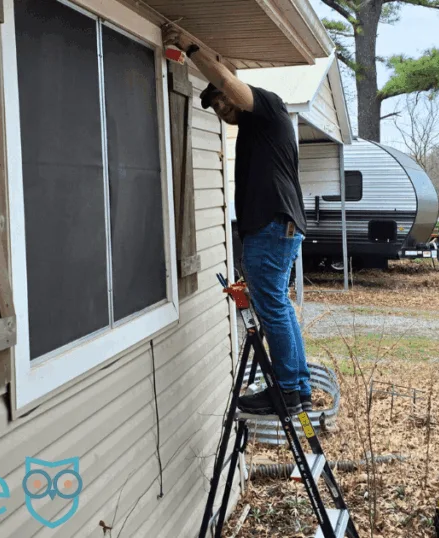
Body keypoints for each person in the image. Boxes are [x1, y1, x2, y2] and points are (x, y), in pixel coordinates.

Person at [164, 26, 311, 416]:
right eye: (216, 108)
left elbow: (228, 80)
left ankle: (286, 390)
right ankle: (298, 385)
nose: (223, 111)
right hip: (279, 226)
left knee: (273, 308)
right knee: (279, 306)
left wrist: (189, 46)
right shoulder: (257, 127)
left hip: (270, 224)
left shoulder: (266, 106)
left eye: (224, 104)